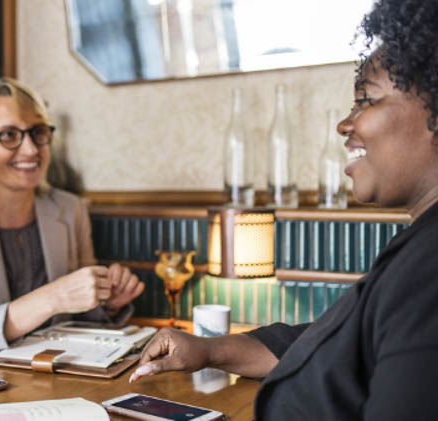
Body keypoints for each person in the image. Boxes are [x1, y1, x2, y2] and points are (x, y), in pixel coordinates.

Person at [130, 0, 438, 418]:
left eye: (366, 100)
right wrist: (208, 349)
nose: (345, 124)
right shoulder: (419, 248)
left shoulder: (429, 271)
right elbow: (334, 344)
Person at [0, 77, 145, 362]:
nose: (32, 150)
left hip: (57, 376)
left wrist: (107, 302)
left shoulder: (70, 210)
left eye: (38, 132)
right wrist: (51, 298)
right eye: (9, 135)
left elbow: (82, 319)